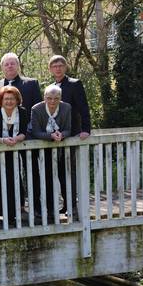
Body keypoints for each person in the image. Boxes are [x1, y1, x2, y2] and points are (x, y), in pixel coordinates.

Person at [0, 52, 42, 212]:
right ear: (2, 67)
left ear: (18, 65)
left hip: (27, 137)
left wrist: (26, 133)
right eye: (7, 64)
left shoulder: (31, 83)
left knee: (32, 172)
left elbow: (37, 110)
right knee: (10, 174)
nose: (10, 66)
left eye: (13, 63)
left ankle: (36, 205)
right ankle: (17, 205)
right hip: (4, 141)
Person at [49, 55, 91, 215]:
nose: (58, 68)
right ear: (51, 69)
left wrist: (86, 129)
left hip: (72, 134)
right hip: (56, 135)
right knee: (60, 171)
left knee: (70, 171)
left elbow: (83, 108)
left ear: (65, 67)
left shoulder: (75, 84)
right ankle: (66, 204)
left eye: (60, 65)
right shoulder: (51, 87)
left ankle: (72, 205)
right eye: (54, 66)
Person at [0, 86, 29, 225]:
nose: (9, 101)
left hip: (16, 153)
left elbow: (24, 131)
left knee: (14, 182)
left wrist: (16, 139)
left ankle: (13, 214)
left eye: (12, 99)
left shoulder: (22, 112)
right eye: (6, 99)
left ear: (17, 100)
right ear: (1, 100)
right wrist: (3, 141)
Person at [31, 85, 71, 220]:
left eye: (56, 98)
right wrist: (51, 136)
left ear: (60, 98)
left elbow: (68, 129)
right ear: (44, 98)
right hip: (44, 149)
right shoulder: (36, 109)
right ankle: (49, 209)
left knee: (64, 177)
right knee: (47, 179)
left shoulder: (66, 108)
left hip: (61, 148)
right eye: (49, 98)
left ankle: (68, 206)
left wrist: (62, 135)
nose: (53, 101)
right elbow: (36, 131)